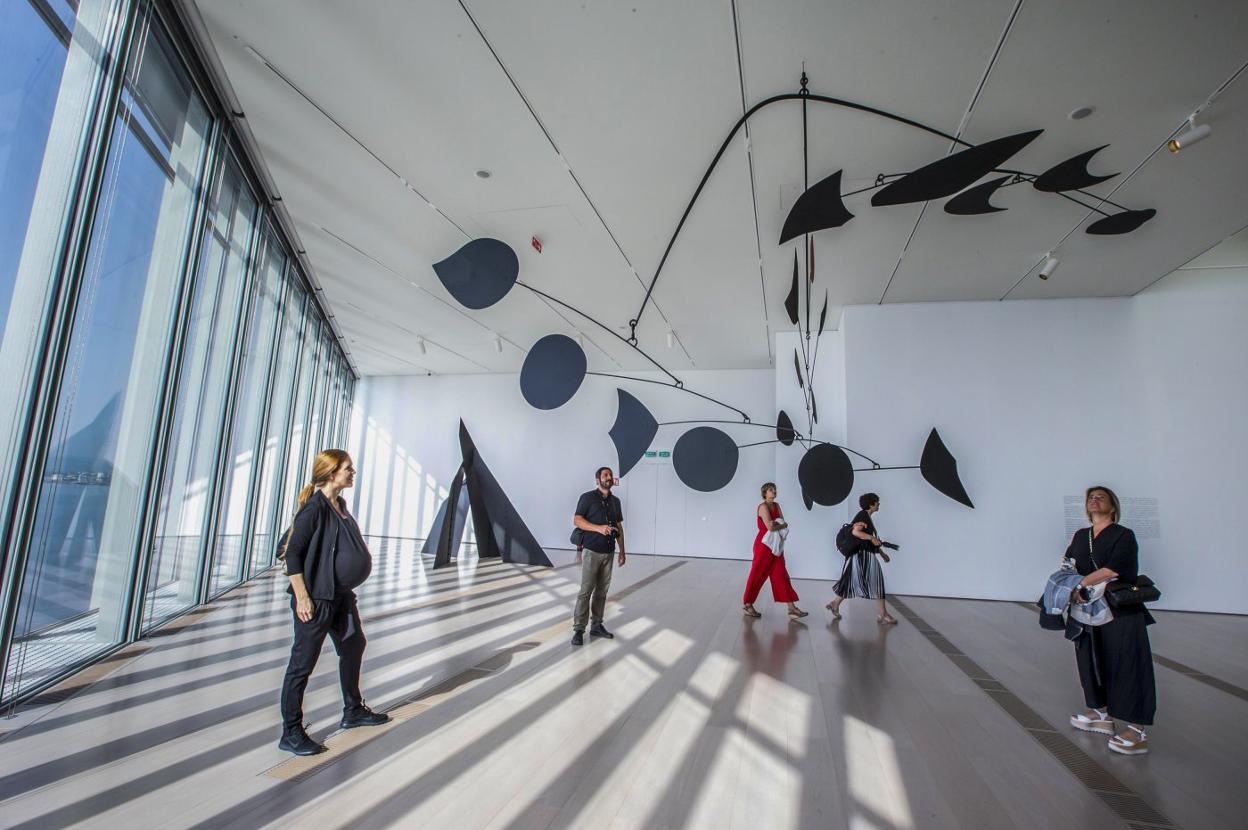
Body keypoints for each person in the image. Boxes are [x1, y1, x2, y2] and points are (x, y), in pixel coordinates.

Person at [278, 449, 389, 755]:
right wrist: (302, 597)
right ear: (331, 474)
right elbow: (291, 554)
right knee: (302, 664)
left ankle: (353, 710)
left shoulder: (339, 504)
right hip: (316, 598)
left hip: (340, 595)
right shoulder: (314, 509)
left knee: (354, 644)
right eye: (347, 469)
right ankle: (290, 732)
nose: (353, 473)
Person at [1066, 485, 1156, 755]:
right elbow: (1069, 562)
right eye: (1090, 498)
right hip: (1086, 608)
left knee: (1128, 663)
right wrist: (1070, 586)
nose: (1094, 500)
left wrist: (1080, 585)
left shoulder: (1123, 535)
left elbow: (1114, 569)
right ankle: (1100, 714)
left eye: (1100, 497)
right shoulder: (1082, 535)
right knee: (1089, 659)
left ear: (1113, 507)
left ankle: (1137, 730)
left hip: (1119, 610)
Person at [571, 466, 625, 645]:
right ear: (598, 480)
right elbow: (577, 520)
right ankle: (579, 629)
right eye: (605, 475)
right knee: (586, 591)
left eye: (610, 475)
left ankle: (597, 625)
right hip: (591, 551)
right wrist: (598, 528)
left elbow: (619, 526)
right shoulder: (587, 498)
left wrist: (622, 551)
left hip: (609, 553)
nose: (608, 477)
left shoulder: (615, 502)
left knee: (602, 592)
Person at [827, 492, 896, 624]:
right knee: (877, 581)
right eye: (877, 502)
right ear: (871, 504)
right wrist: (871, 537)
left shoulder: (866, 517)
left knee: (849, 580)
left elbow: (869, 540)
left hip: (860, 555)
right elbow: (856, 532)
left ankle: (835, 603)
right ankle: (883, 614)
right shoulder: (863, 516)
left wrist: (881, 553)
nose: (879, 504)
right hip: (863, 556)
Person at [742, 482, 807, 619]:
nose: (774, 492)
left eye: (774, 489)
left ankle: (791, 608)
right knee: (757, 574)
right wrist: (780, 524)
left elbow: (781, 523)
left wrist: (779, 523)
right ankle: (748, 604)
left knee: (781, 575)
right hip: (764, 546)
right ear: (765, 493)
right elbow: (771, 527)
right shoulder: (763, 507)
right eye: (771, 490)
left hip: (776, 546)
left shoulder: (776, 505)